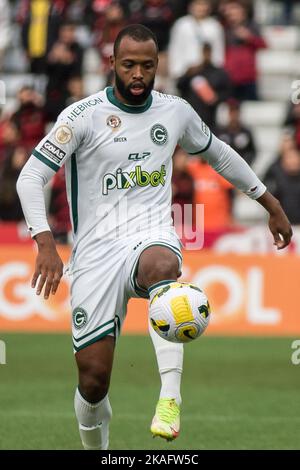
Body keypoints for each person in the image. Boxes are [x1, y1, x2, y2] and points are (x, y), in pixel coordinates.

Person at [17, 24, 292, 450]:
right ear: (112, 64)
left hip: (150, 234)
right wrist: (45, 242)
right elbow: (31, 176)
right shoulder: (81, 116)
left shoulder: (175, 111)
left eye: (147, 65)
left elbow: (218, 153)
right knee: (93, 380)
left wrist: (269, 203)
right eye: (129, 65)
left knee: (164, 268)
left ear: (158, 64)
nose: (138, 74)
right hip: (94, 253)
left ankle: (170, 397)